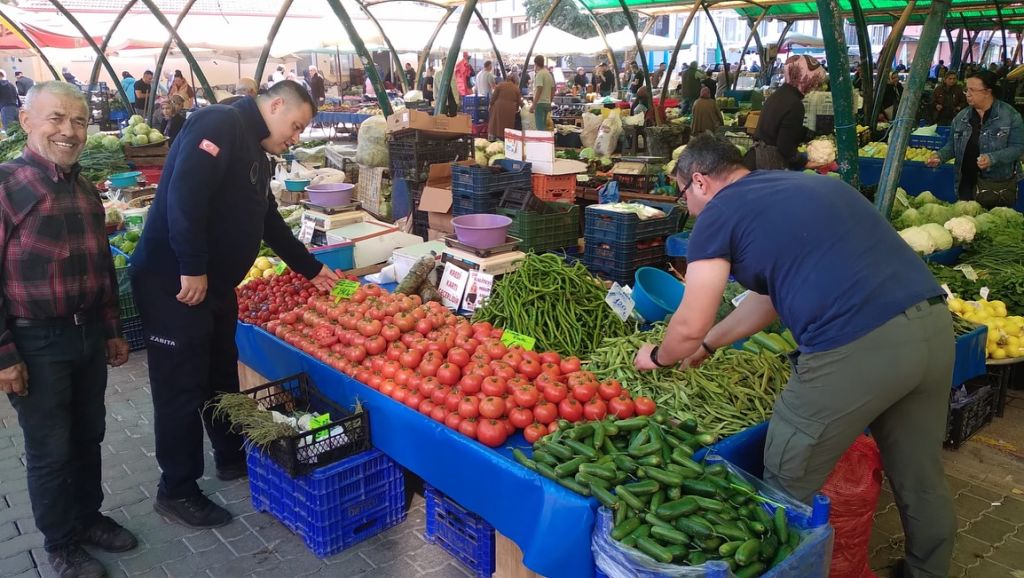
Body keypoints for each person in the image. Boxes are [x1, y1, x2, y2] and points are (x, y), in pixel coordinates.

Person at [638, 132, 956, 578]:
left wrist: (658, 356)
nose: (685, 205)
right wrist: (712, 343)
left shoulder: (718, 213)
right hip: (933, 329)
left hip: (856, 346)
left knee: (786, 476)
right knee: (920, 478)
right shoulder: (808, 185)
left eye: (682, 193)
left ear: (700, 181)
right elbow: (768, 301)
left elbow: (689, 322)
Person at [130, 81, 341, 530]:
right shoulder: (220, 122)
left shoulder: (254, 149)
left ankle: (229, 456)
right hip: (175, 284)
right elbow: (184, 192)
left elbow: (267, 218)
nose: (296, 137)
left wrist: (309, 268)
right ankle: (178, 490)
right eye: (296, 125)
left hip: (215, 287)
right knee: (180, 388)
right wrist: (191, 264)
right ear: (276, 104)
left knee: (220, 373)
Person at [0, 81, 136, 578]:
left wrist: (112, 329)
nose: (69, 130)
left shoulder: (83, 190)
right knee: (50, 447)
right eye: (56, 118)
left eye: (79, 121)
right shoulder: (7, 185)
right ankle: (61, 543)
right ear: (26, 123)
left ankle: (88, 517)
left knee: (88, 434)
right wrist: (4, 355)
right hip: (35, 342)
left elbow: (100, 266)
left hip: (85, 336)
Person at [927, 70, 1024, 205]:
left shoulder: (1010, 116)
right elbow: (952, 146)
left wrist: (992, 158)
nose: (967, 94)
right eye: (966, 90)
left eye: (972, 90)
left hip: (996, 188)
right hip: (966, 184)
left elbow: (1018, 148)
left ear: (987, 92)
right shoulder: (961, 117)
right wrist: (940, 156)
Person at [743, 55, 825, 171]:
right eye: (813, 81)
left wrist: (807, 134)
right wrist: (804, 163)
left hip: (755, 158)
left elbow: (778, 127)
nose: (814, 86)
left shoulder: (779, 95)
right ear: (804, 78)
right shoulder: (795, 104)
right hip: (768, 163)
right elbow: (785, 146)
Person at [488, 73, 522, 141]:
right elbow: (519, 102)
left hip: (499, 107)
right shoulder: (516, 88)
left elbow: (493, 98)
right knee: (507, 125)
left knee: (496, 124)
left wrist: (490, 105)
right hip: (510, 109)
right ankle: (506, 139)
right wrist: (517, 109)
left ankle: (494, 138)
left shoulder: (500, 85)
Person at [529, 55, 554, 132]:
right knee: (544, 126)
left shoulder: (540, 74)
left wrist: (533, 104)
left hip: (540, 104)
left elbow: (539, 89)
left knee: (540, 128)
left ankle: (542, 143)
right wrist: (550, 101)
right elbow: (553, 89)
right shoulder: (549, 74)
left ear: (535, 64)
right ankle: (545, 143)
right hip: (547, 103)